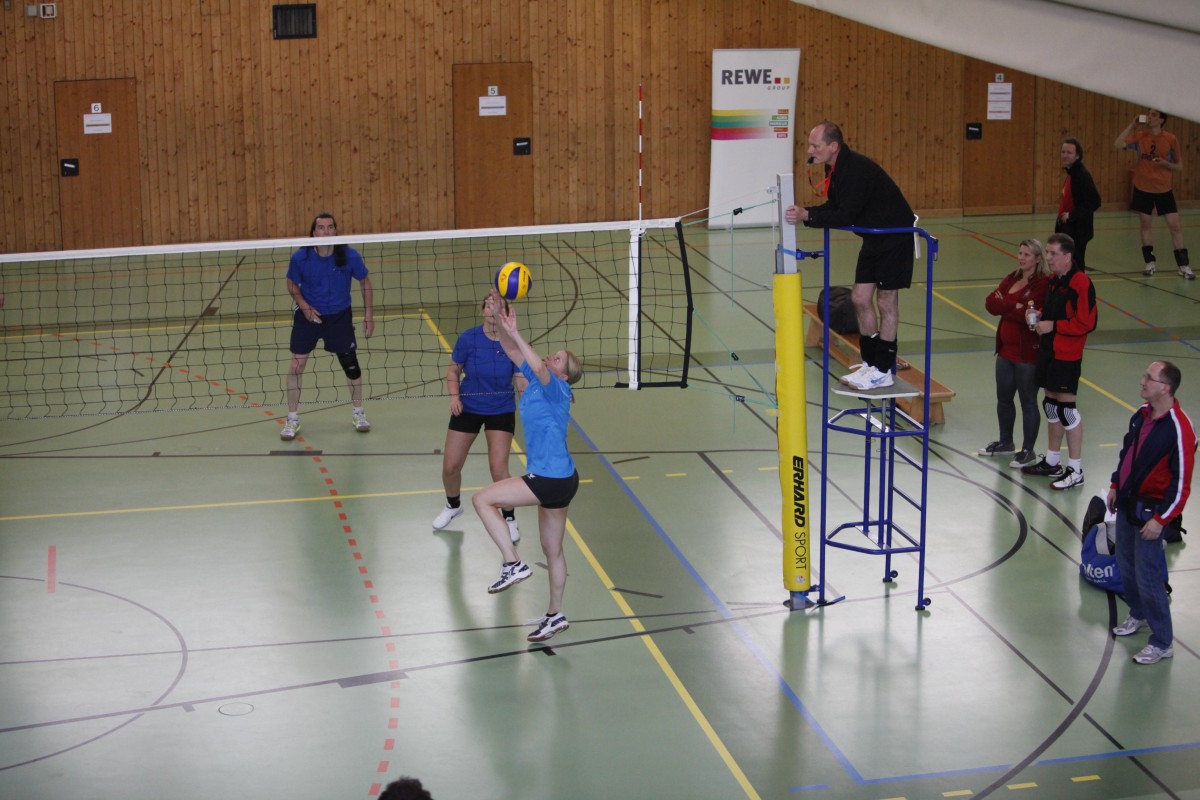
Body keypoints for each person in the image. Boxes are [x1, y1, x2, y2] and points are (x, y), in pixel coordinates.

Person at [471, 299, 582, 643]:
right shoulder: (537, 380)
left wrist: (518, 332)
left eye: (557, 358)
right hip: (563, 479)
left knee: (482, 500)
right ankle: (555, 615)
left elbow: (536, 363)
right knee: (553, 551)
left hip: (550, 478)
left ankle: (512, 563)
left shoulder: (558, 388)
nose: (551, 357)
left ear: (564, 374)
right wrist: (500, 320)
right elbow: (511, 350)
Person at [785, 121, 916, 392]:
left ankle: (883, 370)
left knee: (886, 301)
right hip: (873, 236)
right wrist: (807, 213)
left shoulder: (856, 171)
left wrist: (808, 216)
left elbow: (846, 215)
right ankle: (870, 363)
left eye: (815, 146)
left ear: (833, 146)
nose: (810, 151)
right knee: (859, 298)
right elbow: (835, 206)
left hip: (894, 236)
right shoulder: (834, 168)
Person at [1107, 361, 1195, 665]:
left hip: (1151, 512)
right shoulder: (1141, 414)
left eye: (1149, 377)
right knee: (1125, 564)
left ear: (1165, 387)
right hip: (1127, 503)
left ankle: (1162, 642)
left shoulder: (1180, 428)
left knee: (1149, 576)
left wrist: (1161, 520)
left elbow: (1182, 484)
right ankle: (1139, 613)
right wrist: (1115, 484)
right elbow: (1127, 454)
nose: (1142, 381)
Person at [432, 290, 526, 542]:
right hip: (468, 405)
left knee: (499, 470)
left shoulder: (512, 343)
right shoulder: (468, 338)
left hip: (501, 409)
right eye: (489, 304)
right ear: (482, 310)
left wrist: (532, 399)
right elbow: (453, 371)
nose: (493, 309)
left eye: (498, 305)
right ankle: (453, 505)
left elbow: (521, 380)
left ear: (505, 313)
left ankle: (509, 518)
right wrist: (454, 397)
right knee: (450, 467)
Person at [280, 212, 375, 440]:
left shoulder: (349, 255)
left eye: (330, 227)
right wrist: (304, 307)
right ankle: (292, 418)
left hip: (339, 317)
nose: (326, 231)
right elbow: (291, 283)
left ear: (335, 230)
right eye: (321, 228)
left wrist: (368, 315)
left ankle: (358, 413)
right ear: (314, 232)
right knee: (296, 366)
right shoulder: (301, 257)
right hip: (308, 317)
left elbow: (364, 281)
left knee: (352, 367)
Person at [1021, 233, 1097, 490]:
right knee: (1051, 405)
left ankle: (1075, 469)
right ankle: (1053, 461)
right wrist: (1039, 315)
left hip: (1067, 355)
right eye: (1048, 252)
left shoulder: (1080, 282)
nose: (1049, 258)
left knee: (1067, 410)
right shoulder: (1054, 281)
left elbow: (1086, 323)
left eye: (1053, 253)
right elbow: (1056, 313)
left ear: (1068, 256)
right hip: (1049, 352)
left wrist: (1053, 325)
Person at [980, 239, 1050, 468]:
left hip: (1027, 355)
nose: (1021, 258)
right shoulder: (1012, 277)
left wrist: (1007, 304)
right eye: (1020, 253)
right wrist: (1016, 306)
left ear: (1037, 258)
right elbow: (990, 304)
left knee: (1028, 402)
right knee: (1004, 399)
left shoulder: (1042, 283)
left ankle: (1028, 450)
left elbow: (1030, 316)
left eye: (1027, 254)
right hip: (1005, 351)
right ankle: (1006, 442)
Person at [1114, 109, 1193, 279]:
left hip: (1164, 189)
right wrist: (1132, 125)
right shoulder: (1140, 136)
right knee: (1145, 225)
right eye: (1149, 114)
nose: (1150, 117)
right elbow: (1118, 144)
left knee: (1175, 226)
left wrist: (1165, 164)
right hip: (1143, 188)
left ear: (1162, 120)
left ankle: (1183, 265)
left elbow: (1179, 166)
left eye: (1154, 115)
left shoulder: (1170, 139)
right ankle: (1150, 263)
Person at [1054, 138, 1101, 270]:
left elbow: (1094, 201)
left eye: (1069, 152)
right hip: (1068, 227)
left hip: (1077, 229)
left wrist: (1072, 215)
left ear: (1077, 156)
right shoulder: (1072, 173)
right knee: (1067, 265)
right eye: (1063, 152)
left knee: (1076, 265)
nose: (1065, 155)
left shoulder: (1081, 175)